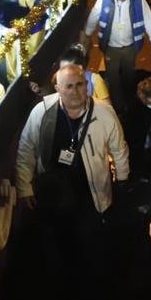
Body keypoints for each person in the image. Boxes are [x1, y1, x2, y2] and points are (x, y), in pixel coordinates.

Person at [15, 62, 129, 218]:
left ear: (87, 85)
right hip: (52, 193)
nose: (75, 91)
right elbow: (26, 149)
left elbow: (118, 148)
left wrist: (122, 178)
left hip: (91, 195)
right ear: (58, 89)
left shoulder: (104, 113)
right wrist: (24, 187)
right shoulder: (42, 112)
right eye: (68, 86)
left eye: (79, 84)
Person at [84, 0, 151, 121]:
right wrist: (87, 33)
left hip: (130, 47)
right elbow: (94, 17)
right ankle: (119, 108)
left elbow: (149, 20)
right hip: (111, 47)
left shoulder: (138, 0)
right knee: (113, 77)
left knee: (128, 75)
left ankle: (129, 100)